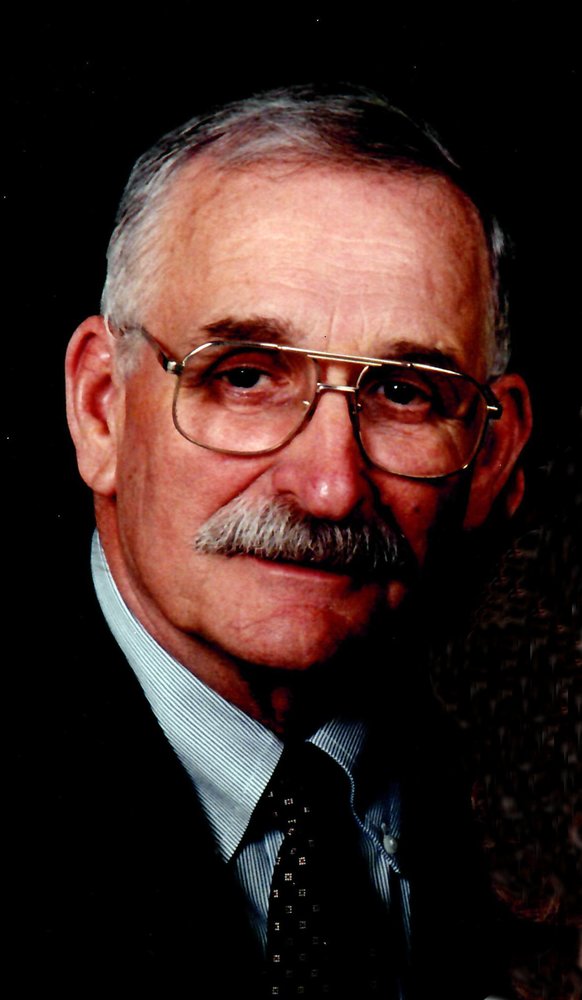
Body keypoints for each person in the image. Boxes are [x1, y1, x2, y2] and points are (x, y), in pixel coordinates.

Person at [22, 85, 536, 997]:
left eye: (404, 392)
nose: (330, 488)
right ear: (102, 410)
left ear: (491, 455)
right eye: (247, 378)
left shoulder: (512, 822)